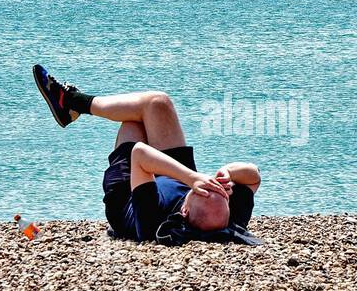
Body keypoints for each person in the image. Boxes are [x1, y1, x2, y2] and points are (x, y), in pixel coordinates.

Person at [32, 64, 262, 245]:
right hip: (175, 177)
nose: (211, 187)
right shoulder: (228, 220)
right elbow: (253, 176)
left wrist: (192, 179)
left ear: (185, 210)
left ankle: (71, 102)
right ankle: (71, 104)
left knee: (133, 124)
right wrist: (225, 173)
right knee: (158, 103)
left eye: (204, 191)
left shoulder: (155, 221)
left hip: (128, 192)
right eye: (219, 191)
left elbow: (139, 155)